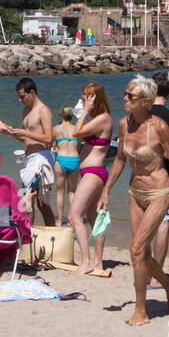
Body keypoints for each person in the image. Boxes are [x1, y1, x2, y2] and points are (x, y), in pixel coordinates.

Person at [100, 76, 169, 325]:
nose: (124, 98)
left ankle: (141, 311)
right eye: (125, 93)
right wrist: (106, 191)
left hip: (160, 192)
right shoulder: (124, 124)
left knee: (135, 249)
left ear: (146, 102)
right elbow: (121, 160)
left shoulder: (159, 128)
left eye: (130, 96)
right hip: (135, 192)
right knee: (140, 252)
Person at [68, 82, 114, 274]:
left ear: (95, 99)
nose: (83, 100)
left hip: (94, 173)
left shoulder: (103, 119)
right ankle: (98, 262)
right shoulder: (99, 120)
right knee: (94, 218)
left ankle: (86, 261)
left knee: (73, 216)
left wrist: (85, 111)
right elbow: (78, 136)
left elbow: (77, 132)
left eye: (86, 98)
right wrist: (85, 112)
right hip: (92, 173)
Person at [7, 77, 56, 227]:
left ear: (32, 92)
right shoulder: (26, 110)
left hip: (41, 157)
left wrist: (25, 133)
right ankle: (34, 233)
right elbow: (26, 139)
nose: (20, 100)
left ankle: (27, 234)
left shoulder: (43, 110)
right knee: (39, 203)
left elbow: (48, 138)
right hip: (29, 158)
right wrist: (12, 133)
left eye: (22, 96)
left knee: (28, 199)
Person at [149, 71, 169, 272]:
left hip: (144, 173)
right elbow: (168, 149)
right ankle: (156, 273)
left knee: (145, 224)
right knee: (163, 222)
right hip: (165, 173)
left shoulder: (142, 113)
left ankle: (144, 271)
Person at [52, 105, 80, 216]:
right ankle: (74, 220)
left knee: (60, 192)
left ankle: (59, 220)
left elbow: (52, 145)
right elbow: (78, 147)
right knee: (72, 192)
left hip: (61, 159)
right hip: (74, 159)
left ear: (61, 115)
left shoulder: (56, 129)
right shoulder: (77, 128)